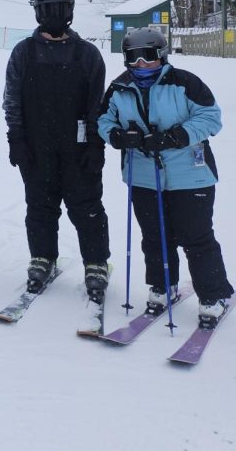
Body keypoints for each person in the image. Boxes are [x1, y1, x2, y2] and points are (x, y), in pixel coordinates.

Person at [98, 27, 231, 327]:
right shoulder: (119, 88)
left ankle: (214, 294)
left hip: (190, 175)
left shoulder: (184, 83)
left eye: (148, 56)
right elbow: (104, 119)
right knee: (155, 236)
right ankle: (163, 285)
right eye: (134, 57)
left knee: (195, 236)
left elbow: (211, 117)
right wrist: (119, 136)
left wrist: (176, 137)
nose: (141, 64)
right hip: (143, 175)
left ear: (161, 55)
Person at [4, 0, 110, 299]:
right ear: (37, 12)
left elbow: (97, 103)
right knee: (40, 204)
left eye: (58, 10)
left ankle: (96, 261)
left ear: (69, 12)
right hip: (36, 144)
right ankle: (43, 256)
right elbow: (12, 99)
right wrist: (16, 138)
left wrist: (95, 143)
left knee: (86, 204)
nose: (52, 17)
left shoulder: (87, 53)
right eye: (46, 10)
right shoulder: (24, 52)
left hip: (77, 144)